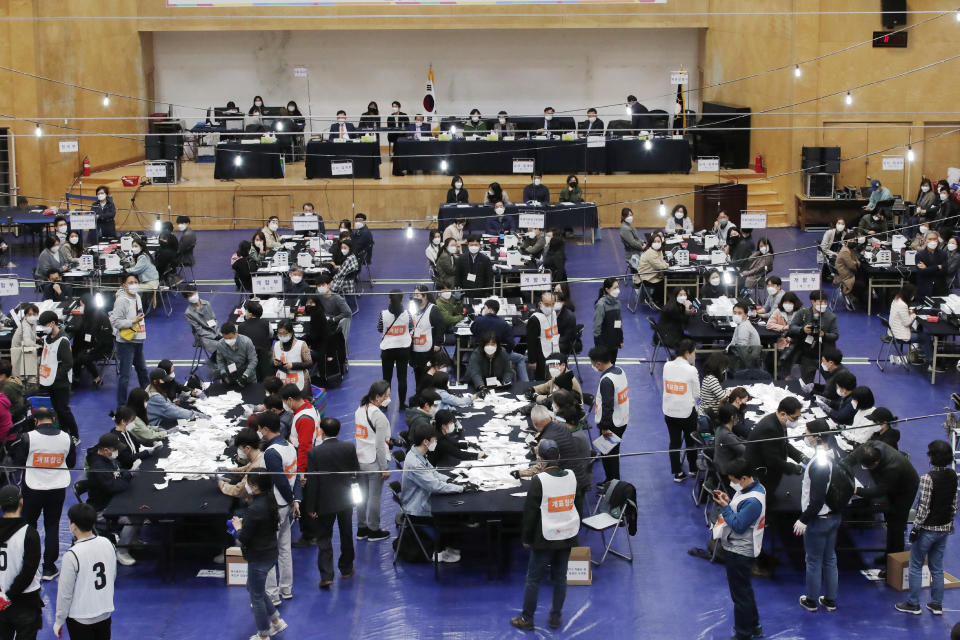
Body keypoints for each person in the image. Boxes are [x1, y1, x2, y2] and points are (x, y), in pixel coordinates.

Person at [509, 440, 579, 632]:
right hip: (567, 535)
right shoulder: (572, 476)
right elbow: (577, 505)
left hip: (545, 537)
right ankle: (556, 616)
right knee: (560, 578)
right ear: (557, 457)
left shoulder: (539, 480)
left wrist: (526, 538)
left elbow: (530, 513)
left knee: (533, 579)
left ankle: (527, 618)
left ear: (540, 460)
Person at [895, 440, 958, 616]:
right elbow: (954, 504)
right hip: (944, 529)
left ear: (932, 457)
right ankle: (936, 604)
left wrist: (915, 528)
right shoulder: (953, 475)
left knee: (915, 565)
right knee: (937, 568)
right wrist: (949, 524)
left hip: (927, 530)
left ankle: (913, 603)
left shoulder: (927, 478)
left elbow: (923, 508)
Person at [12, 406, 74, 581]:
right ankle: (49, 567)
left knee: (29, 526)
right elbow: (72, 461)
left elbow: (19, 462)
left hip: (33, 488)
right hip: (57, 487)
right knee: (52, 525)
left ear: (35, 421)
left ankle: (28, 566)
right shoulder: (66, 438)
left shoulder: (28, 437)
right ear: (53, 420)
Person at [301, 417, 359, 589]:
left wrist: (310, 507)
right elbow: (355, 472)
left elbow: (313, 483)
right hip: (345, 500)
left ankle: (327, 575)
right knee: (346, 534)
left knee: (324, 538)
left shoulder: (314, 453)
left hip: (324, 503)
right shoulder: (348, 447)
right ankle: (347, 568)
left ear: (321, 432)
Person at [712, 458, 766, 640]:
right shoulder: (752, 489)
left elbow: (738, 525)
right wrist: (729, 502)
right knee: (745, 590)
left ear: (743, 478)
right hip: (740, 548)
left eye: (734, 480)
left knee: (740, 596)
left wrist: (725, 507)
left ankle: (743, 634)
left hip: (739, 552)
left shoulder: (753, 501)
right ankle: (754, 625)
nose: (732, 484)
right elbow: (740, 511)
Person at [794, 419, 842, 613]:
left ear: (816, 436)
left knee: (813, 560)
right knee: (830, 558)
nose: (806, 437)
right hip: (833, 517)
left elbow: (817, 499)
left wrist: (803, 519)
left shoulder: (820, 464)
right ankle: (830, 599)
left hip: (818, 520)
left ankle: (811, 600)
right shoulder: (833, 453)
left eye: (807, 433)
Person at [399, 423, 465, 563]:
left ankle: (447, 546)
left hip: (423, 498)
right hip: (416, 507)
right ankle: (443, 550)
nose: (435, 443)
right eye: (434, 440)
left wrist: (451, 480)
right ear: (426, 442)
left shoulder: (418, 454)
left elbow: (433, 473)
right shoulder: (414, 463)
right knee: (451, 514)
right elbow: (434, 485)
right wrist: (461, 488)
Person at [233, 473, 289, 640]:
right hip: (270, 553)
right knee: (254, 588)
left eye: (248, 483)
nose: (247, 486)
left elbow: (243, 537)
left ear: (255, 486)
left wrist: (238, 526)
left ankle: (263, 635)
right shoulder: (269, 501)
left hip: (259, 557)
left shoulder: (255, 509)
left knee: (256, 596)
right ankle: (276, 621)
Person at [53, 503, 116, 640]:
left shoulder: (72, 555)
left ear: (73, 526)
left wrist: (59, 620)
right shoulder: (107, 543)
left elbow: (65, 593)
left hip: (81, 617)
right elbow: (112, 575)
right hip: (105, 611)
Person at [256, 412, 301, 606]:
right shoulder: (290, 447)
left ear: (265, 429)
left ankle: (272, 595)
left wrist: (291, 500)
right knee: (284, 548)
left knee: (268, 551)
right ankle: (286, 588)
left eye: (259, 428)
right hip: (288, 505)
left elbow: (280, 480)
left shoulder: (271, 452)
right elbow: (296, 476)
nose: (258, 431)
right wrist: (296, 500)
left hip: (277, 506)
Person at [846, 441, 919, 558]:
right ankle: (888, 556)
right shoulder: (867, 448)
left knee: (896, 526)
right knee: (889, 520)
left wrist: (856, 491)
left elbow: (879, 491)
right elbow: (848, 460)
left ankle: (894, 561)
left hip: (905, 490)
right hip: (890, 482)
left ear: (877, 462)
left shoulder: (893, 467)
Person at [84, 433, 138, 566]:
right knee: (135, 517)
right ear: (106, 450)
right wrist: (126, 479)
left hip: (112, 500)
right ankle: (122, 550)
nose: (117, 452)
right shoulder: (98, 466)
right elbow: (114, 486)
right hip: (102, 509)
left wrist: (125, 476)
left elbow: (121, 472)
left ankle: (132, 539)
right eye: (115, 449)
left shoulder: (108, 459)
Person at [0, 485, 42, 639]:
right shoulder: (29, 533)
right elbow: (29, 571)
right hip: (25, 600)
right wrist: (10, 595)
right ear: (21, 502)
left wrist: (3, 596)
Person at [745, 396, 804, 505]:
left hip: (767, 468)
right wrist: (794, 468)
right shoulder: (770, 428)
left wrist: (801, 457)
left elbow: (784, 444)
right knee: (766, 501)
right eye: (795, 418)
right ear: (783, 414)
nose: (796, 421)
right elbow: (773, 461)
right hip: (761, 474)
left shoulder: (778, 422)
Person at [354, 382, 392, 543]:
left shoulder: (359, 410)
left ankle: (361, 528)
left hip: (360, 459)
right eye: (387, 396)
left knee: (362, 497)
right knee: (375, 497)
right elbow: (380, 445)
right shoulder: (379, 416)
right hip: (374, 462)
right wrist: (384, 468)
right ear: (378, 397)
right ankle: (374, 530)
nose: (388, 399)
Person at [36, 310, 79, 440]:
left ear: (53, 323)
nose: (44, 328)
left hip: (61, 382)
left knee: (63, 410)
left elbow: (68, 364)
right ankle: (63, 432)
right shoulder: (47, 339)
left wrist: (56, 376)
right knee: (56, 409)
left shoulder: (63, 341)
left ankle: (74, 435)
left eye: (45, 325)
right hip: (49, 381)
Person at [662, 340, 700, 482]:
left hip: (669, 411)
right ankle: (692, 469)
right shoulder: (691, 370)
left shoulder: (667, 365)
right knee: (690, 442)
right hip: (687, 413)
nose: (694, 354)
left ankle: (677, 473)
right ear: (687, 353)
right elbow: (696, 394)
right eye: (693, 351)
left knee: (674, 442)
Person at [591, 346, 629, 485]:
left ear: (599, 363)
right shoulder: (620, 371)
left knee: (610, 456)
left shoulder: (607, 380)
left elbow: (607, 405)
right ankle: (610, 481)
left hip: (611, 424)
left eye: (593, 363)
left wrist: (605, 427)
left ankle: (613, 485)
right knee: (609, 453)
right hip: (621, 420)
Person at [788, 291, 838, 382]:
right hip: (807, 355)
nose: (823, 304)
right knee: (806, 382)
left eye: (825, 302)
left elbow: (835, 335)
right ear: (813, 301)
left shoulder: (831, 317)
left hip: (825, 356)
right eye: (820, 302)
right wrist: (802, 330)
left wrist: (824, 335)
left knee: (832, 380)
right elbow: (792, 327)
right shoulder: (802, 313)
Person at [378, 290, 412, 407]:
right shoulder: (408, 314)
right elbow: (411, 328)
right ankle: (402, 404)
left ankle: (385, 404)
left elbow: (379, 328)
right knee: (402, 378)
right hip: (403, 349)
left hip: (388, 350)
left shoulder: (383, 314)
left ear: (389, 299)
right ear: (402, 300)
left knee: (386, 379)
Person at [71, 293, 112, 389]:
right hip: (91, 343)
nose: (81, 307)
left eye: (82, 305)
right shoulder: (88, 314)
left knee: (82, 357)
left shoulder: (99, 316)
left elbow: (102, 338)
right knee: (75, 350)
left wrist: (91, 349)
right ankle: (77, 377)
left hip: (101, 347)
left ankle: (97, 378)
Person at [888, 283, 934, 367]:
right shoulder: (903, 305)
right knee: (925, 337)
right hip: (900, 334)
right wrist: (914, 314)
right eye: (912, 294)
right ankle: (931, 362)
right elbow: (907, 323)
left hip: (893, 331)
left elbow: (901, 315)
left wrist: (909, 312)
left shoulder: (896, 299)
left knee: (920, 333)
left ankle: (921, 354)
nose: (913, 296)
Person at [219, 428, 263, 500]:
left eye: (240, 448)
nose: (239, 451)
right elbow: (245, 469)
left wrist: (221, 484)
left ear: (248, 448)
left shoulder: (255, 467)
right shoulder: (259, 455)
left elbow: (239, 491)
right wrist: (229, 471)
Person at [272, 320, 312, 395]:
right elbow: (273, 361)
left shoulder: (301, 345)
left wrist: (293, 365)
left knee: (301, 403)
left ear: (291, 332)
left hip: (299, 380)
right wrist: (275, 363)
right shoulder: (276, 345)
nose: (282, 336)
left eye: (285, 333)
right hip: (282, 380)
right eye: (280, 334)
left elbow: (309, 363)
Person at [527, 292, 560, 381]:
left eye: (552, 304)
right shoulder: (535, 319)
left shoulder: (553, 312)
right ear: (540, 303)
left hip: (554, 349)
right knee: (542, 379)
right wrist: (532, 361)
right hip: (540, 353)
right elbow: (531, 341)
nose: (550, 307)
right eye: (547, 304)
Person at [216, 323, 258, 388]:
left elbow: (253, 360)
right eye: (225, 339)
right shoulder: (220, 344)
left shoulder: (247, 342)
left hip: (247, 376)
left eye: (230, 338)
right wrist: (223, 373)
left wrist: (245, 375)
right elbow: (220, 361)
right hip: (231, 375)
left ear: (236, 333)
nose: (228, 341)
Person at [182, 284, 220, 354]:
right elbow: (199, 329)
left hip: (215, 330)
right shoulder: (188, 313)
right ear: (187, 298)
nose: (192, 296)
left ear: (197, 292)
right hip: (202, 336)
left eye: (193, 294)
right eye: (189, 296)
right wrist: (213, 336)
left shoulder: (207, 304)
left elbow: (214, 319)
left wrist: (216, 331)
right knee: (219, 347)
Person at [593, 278, 623, 364]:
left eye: (618, 287)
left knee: (612, 363)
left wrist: (620, 340)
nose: (617, 290)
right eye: (615, 288)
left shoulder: (618, 303)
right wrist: (599, 346)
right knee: (605, 366)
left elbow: (619, 322)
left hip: (614, 341)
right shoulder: (601, 305)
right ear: (607, 289)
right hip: (604, 342)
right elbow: (596, 327)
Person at [728, 302, 762, 371]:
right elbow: (734, 341)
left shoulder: (744, 327)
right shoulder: (741, 324)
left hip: (747, 364)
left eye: (739, 313)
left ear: (746, 315)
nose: (736, 315)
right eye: (734, 313)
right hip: (747, 357)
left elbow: (742, 350)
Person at [713, 404, 745, 476]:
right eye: (736, 415)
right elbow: (744, 450)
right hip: (725, 469)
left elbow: (737, 441)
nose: (738, 417)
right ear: (732, 417)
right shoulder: (726, 435)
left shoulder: (719, 428)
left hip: (720, 463)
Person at [11, 303, 39, 382]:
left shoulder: (33, 323)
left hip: (25, 348)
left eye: (34, 314)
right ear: (25, 315)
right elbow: (27, 342)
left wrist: (38, 338)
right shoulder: (25, 325)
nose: (32, 316)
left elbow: (32, 334)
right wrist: (36, 345)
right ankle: (30, 381)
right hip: (18, 350)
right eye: (29, 314)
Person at [915, 231, 947, 298]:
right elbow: (921, 272)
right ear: (925, 240)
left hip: (939, 288)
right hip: (924, 288)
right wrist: (937, 267)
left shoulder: (943, 254)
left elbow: (944, 271)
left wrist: (927, 268)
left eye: (934, 239)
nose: (932, 241)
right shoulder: (919, 255)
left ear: (938, 240)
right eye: (930, 239)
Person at [638, 234, 668, 302]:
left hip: (653, 274)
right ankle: (657, 300)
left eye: (658, 241)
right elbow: (659, 266)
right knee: (663, 282)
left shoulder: (658, 251)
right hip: (646, 277)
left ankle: (658, 298)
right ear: (651, 243)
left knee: (665, 279)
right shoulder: (650, 253)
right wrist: (668, 265)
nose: (657, 243)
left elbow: (661, 261)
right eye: (654, 242)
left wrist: (665, 264)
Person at [699, 352, 730, 419]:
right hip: (708, 417)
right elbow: (723, 397)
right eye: (723, 368)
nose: (724, 370)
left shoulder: (708, 377)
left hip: (704, 414)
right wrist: (731, 392)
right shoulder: (712, 380)